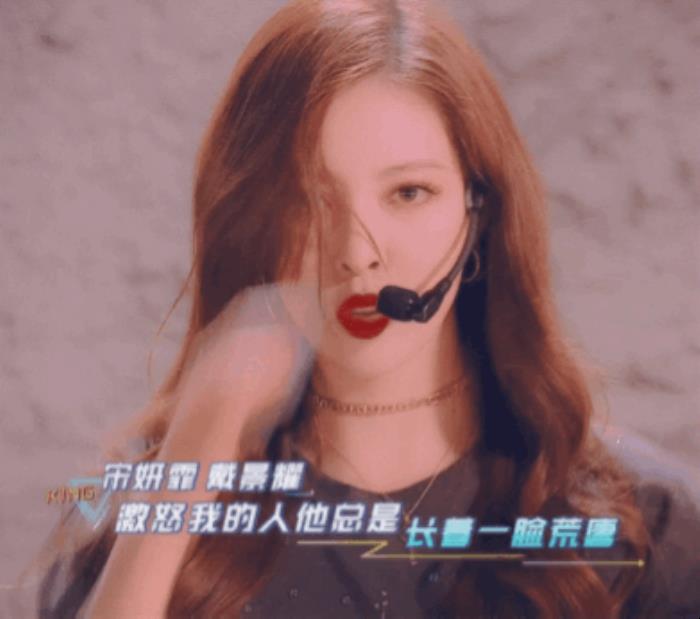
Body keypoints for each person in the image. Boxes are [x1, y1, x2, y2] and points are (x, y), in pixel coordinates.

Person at [29, 0, 700, 617]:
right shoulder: (132, 520)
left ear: (480, 214)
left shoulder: (647, 526)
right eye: (309, 198)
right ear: (253, 220)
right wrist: (200, 441)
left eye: (408, 193)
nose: (356, 254)